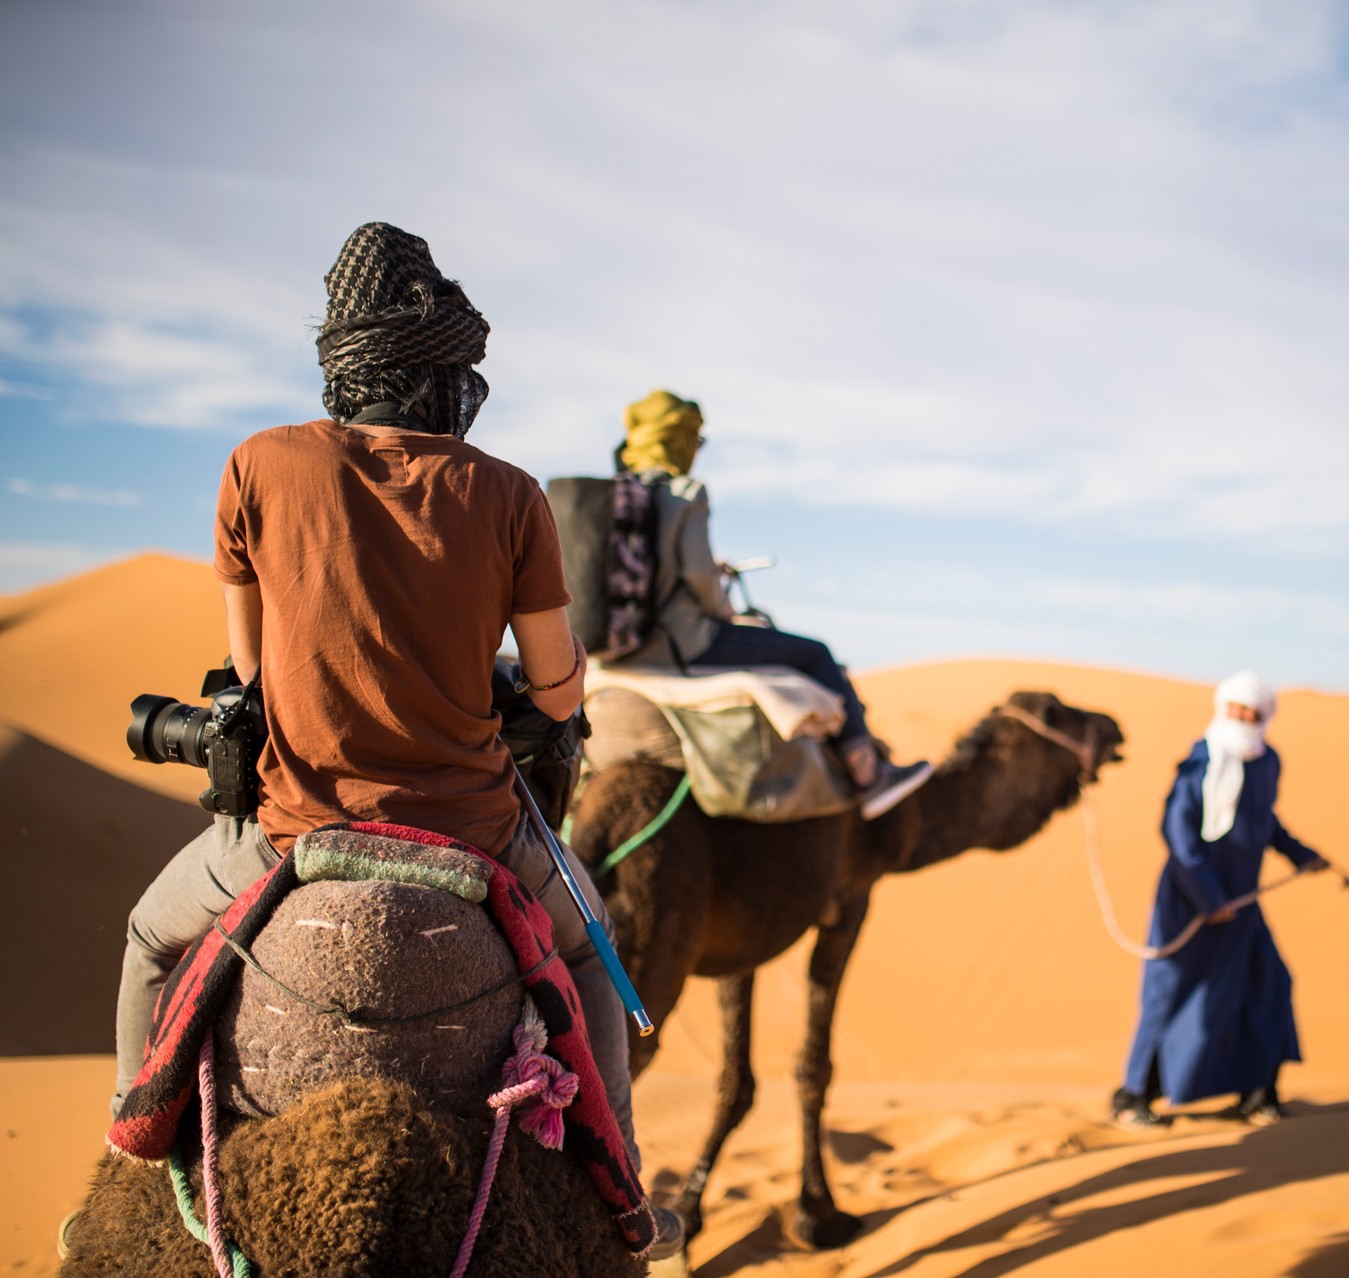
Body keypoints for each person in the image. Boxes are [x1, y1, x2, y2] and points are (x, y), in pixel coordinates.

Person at [111, 222, 637, 1163]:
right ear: (441, 371)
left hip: (292, 823)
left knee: (151, 938)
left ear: (342, 361)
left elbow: (250, 678)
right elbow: (557, 699)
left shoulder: (257, 464)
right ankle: (623, 1183)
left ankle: (132, 1138)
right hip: (473, 826)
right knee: (593, 951)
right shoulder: (513, 494)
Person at [607, 389, 932, 819]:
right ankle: (868, 775)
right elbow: (701, 579)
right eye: (696, 441)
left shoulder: (617, 496)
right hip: (683, 645)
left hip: (622, 648)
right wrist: (720, 602)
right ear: (680, 439)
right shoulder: (685, 492)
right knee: (816, 653)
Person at [1111, 671, 1330, 1129]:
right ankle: (1133, 1097)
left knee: (1267, 987)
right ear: (1223, 707)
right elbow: (1178, 831)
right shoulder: (1199, 760)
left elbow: (1262, 820)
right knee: (1169, 995)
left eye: (1254, 711)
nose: (1244, 717)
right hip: (1189, 904)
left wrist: (1301, 855)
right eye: (1237, 708)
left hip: (1243, 904)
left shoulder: (1267, 761)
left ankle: (1258, 1093)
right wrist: (1208, 899)